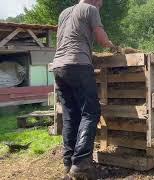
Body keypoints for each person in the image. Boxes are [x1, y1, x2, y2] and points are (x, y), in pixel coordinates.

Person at [52, 0, 114, 179]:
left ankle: (68, 162)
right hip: (78, 64)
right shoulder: (90, 9)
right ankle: (80, 164)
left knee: (71, 115)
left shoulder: (64, 13)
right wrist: (113, 46)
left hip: (59, 67)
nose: (100, 6)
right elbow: (102, 40)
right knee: (91, 113)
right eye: (100, 3)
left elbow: (63, 41)